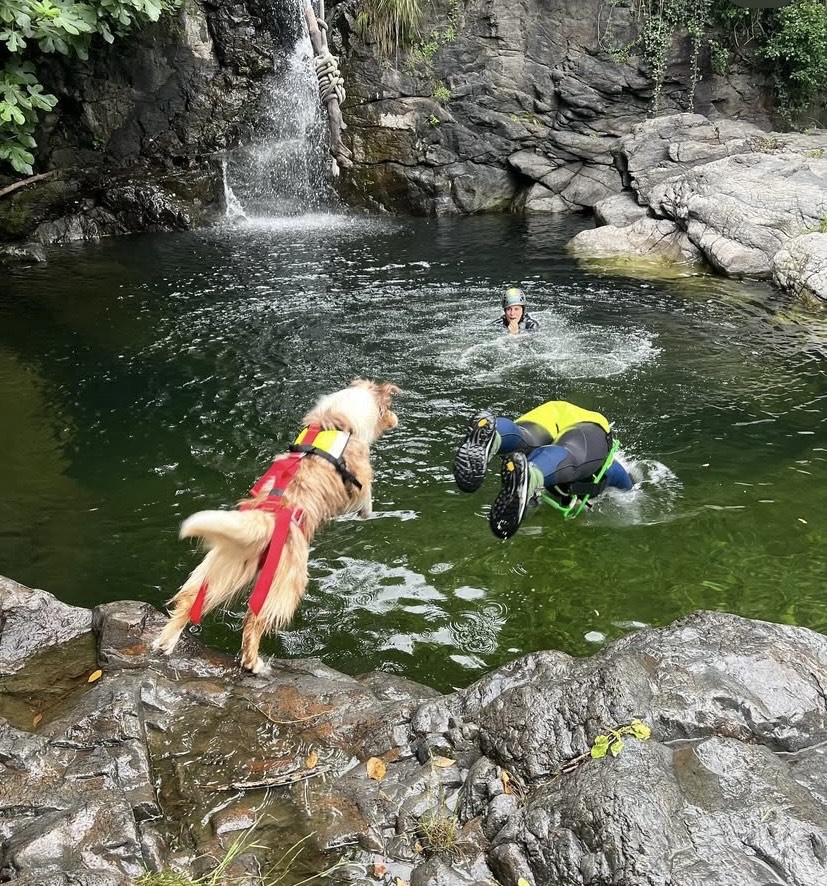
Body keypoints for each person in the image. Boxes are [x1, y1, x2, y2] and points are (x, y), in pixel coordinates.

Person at [453, 401, 633, 539]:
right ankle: (532, 475)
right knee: (571, 453)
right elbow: (628, 490)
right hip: (590, 424)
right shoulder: (609, 469)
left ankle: (495, 435)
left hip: (550, 413)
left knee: (524, 437)